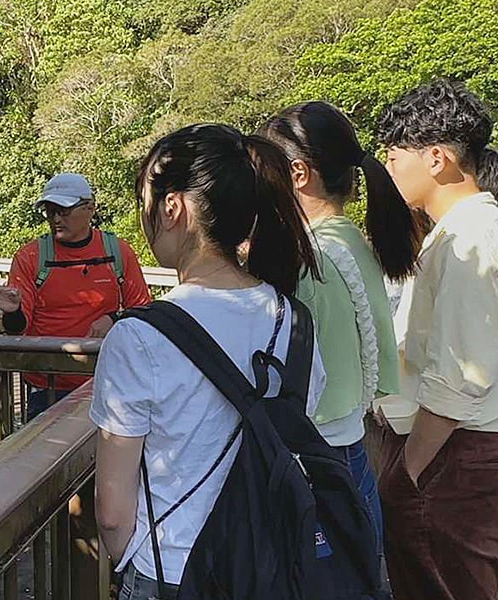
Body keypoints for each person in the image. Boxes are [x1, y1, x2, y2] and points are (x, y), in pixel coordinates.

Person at [91, 124, 325, 599]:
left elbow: (113, 513)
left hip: (172, 570)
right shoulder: (294, 321)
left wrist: (130, 567)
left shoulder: (138, 337)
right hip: (272, 568)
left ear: (173, 207)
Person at [258, 101, 421, 582]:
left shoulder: (312, 259)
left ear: (298, 173)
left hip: (318, 465)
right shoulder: (348, 240)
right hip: (350, 453)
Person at [373, 80, 498, 600]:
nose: (388, 169)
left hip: (456, 456)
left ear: (437, 159)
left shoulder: (469, 241)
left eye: (394, 155)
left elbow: (460, 376)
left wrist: (407, 474)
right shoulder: (461, 233)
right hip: (459, 452)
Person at [0, 173, 152, 419]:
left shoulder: (118, 252)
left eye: (63, 210)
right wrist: (13, 312)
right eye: (50, 211)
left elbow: (143, 310)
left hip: (106, 379)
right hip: (48, 385)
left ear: (90, 208)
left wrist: (114, 319)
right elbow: (18, 329)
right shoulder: (31, 257)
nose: (55, 219)